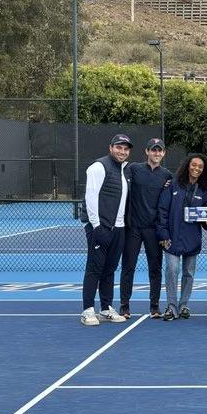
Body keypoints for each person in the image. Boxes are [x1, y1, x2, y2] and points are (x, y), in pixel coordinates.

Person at [79, 134, 132, 326]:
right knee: (95, 268)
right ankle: (87, 310)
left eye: (126, 149)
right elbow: (91, 197)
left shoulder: (124, 170)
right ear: (111, 148)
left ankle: (106, 308)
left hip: (119, 228)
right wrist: (97, 225)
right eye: (119, 147)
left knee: (110, 269)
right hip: (100, 227)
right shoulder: (98, 167)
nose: (122, 151)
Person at [119, 138, 172, 319]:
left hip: (153, 230)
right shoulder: (133, 169)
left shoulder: (167, 175)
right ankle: (124, 307)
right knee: (128, 267)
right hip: (133, 228)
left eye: (160, 151)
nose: (156, 153)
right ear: (147, 152)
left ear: (163, 153)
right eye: (153, 150)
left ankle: (154, 307)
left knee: (155, 269)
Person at [157, 153, 207, 321]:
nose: (196, 168)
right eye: (194, 165)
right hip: (171, 238)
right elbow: (162, 210)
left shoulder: (204, 191)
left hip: (191, 239)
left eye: (200, 167)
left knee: (188, 273)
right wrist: (163, 234)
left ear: (204, 171)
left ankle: (183, 305)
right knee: (172, 271)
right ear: (188, 165)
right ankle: (171, 306)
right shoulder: (173, 185)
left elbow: (205, 220)